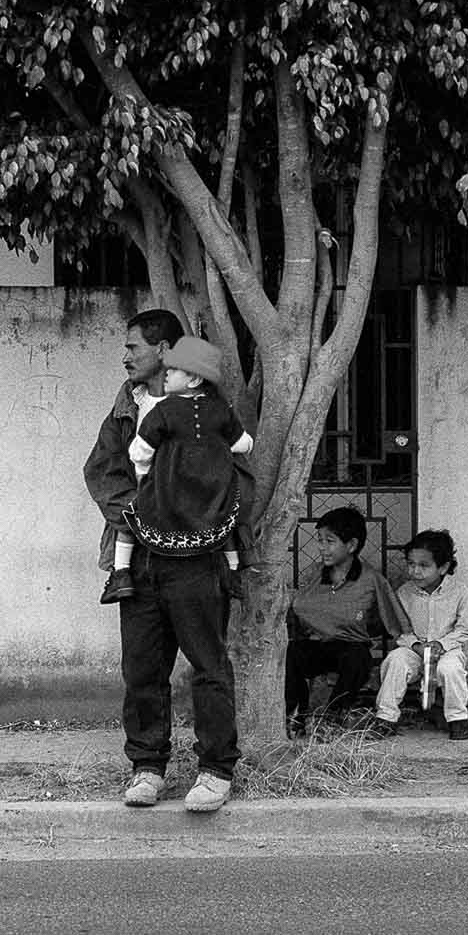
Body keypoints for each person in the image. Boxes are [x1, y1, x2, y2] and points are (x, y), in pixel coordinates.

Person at [83, 309, 240, 813]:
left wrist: (195, 518)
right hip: (140, 558)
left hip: (197, 557)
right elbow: (102, 468)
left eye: (134, 347)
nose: (126, 356)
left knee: (207, 666)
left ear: (165, 352)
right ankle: (147, 766)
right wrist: (135, 514)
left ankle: (215, 770)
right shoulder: (126, 405)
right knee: (142, 668)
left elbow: (234, 475)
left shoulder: (207, 409)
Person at [103, 335, 253, 604]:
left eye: (172, 371)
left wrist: (142, 466)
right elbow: (243, 444)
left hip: (167, 495)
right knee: (227, 520)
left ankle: (121, 573)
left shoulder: (164, 411)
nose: (167, 374)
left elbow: (141, 449)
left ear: (194, 379)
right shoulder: (220, 410)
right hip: (210, 496)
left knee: (129, 516)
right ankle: (232, 572)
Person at [285, 506, 410, 737]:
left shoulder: (371, 579)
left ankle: (331, 719)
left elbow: (394, 618)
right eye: (320, 540)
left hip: (351, 647)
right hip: (318, 646)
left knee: (358, 659)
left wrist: (410, 642)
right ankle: (296, 717)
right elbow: (300, 605)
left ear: (351, 545)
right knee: (292, 653)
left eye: (330, 541)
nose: (322, 547)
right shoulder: (316, 573)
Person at [370, 530, 468, 740]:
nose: (415, 571)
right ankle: (386, 717)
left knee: (450, 669)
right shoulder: (404, 593)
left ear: (444, 567)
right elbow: (400, 630)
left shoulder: (459, 592)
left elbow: (465, 629)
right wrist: (416, 646)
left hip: (447, 651)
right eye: (411, 564)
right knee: (395, 661)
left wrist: (441, 644)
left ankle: (457, 720)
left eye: (424, 565)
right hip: (414, 651)